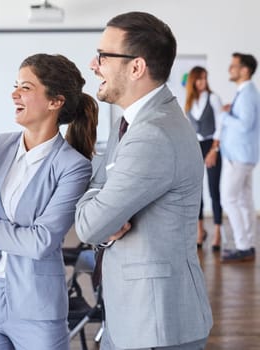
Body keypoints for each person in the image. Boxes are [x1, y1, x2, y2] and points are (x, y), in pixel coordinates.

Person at [75, 12, 213, 349]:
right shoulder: (134, 122)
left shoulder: (152, 133)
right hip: (137, 316)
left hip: (155, 323)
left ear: (136, 67)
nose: (94, 64)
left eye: (103, 56)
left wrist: (93, 201)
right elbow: (98, 189)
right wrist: (99, 196)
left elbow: (90, 225)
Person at [0, 53, 97, 350]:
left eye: (26, 88)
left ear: (55, 101)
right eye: (15, 85)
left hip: (36, 306)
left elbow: (41, 241)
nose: (14, 94)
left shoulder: (73, 166)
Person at [219, 52, 260, 263]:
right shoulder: (247, 93)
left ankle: (243, 245)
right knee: (244, 201)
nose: (230, 69)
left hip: (238, 157)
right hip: (243, 155)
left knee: (229, 199)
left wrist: (225, 115)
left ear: (245, 70)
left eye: (234, 65)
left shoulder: (248, 93)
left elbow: (244, 125)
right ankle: (248, 245)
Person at [184, 66, 223, 251]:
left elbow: (220, 126)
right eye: (199, 79)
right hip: (194, 147)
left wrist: (214, 150)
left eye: (205, 79)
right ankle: (200, 231)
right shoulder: (190, 102)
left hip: (211, 145)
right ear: (193, 81)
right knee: (196, 191)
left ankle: (217, 233)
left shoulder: (214, 99)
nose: (203, 82)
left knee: (214, 190)